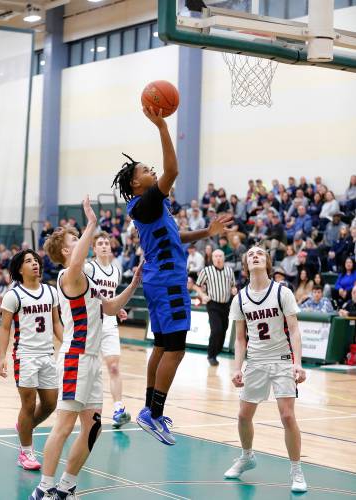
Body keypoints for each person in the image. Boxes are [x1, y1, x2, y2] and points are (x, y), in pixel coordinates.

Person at [111, 106, 231, 446]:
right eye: (148, 170)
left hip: (159, 278)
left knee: (163, 346)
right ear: (137, 183)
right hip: (166, 280)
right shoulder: (147, 201)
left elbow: (176, 238)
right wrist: (163, 126)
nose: (154, 171)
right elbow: (173, 168)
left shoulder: (152, 207)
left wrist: (206, 232)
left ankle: (151, 409)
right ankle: (154, 412)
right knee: (175, 350)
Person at [29, 197, 142, 500]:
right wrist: (91, 222)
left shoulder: (87, 280)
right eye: (75, 239)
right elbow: (78, 261)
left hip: (91, 361)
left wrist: (133, 284)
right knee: (64, 425)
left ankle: (66, 486)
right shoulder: (70, 275)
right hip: (74, 358)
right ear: (66, 251)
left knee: (93, 427)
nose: (82, 241)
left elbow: (110, 307)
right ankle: (44, 488)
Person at [225, 245, 307, 493]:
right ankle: (247, 456)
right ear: (246, 264)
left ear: (267, 262)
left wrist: (298, 362)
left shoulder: (282, 292)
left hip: (282, 358)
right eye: (250, 254)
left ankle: (296, 469)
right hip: (256, 361)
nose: (255, 255)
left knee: (287, 416)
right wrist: (237, 368)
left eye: (260, 253)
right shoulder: (240, 298)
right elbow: (240, 339)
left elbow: (293, 329)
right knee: (242, 416)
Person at [0, 250, 63, 471]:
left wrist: (68, 343)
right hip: (25, 355)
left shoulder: (51, 291)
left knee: (50, 404)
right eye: (28, 261)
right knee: (27, 404)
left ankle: (24, 427)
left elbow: (56, 323)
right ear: (19, 269)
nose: (35, 264)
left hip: (47, 354)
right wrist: (2, 357)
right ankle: (25, 452)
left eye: (36, 260)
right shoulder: (13, 296)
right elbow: (5, 328)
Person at [85, 231, 131, 429]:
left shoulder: (116, 271)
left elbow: (110, 296)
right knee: (89, 369)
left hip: (110, 322)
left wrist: (117, 307)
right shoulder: (88, 268)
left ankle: (118, 409)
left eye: (106, 243)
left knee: (113, 367)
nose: (104, 246)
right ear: (94, 248)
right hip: (91, 323)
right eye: (100, 243)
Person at [195, 250, 237, 366]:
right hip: (213, 304)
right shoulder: (206, 271)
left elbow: (233, 286)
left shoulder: (229, 270)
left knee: (224, 329)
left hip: (226, 305)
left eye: (220, 256)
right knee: (216, 329)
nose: (218, 258)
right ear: (212, 258)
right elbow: (197, 286)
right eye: (216, 256)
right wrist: (203, 295)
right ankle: (211, 355)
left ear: (224, 258)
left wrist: (234, 290)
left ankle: (216, 352)